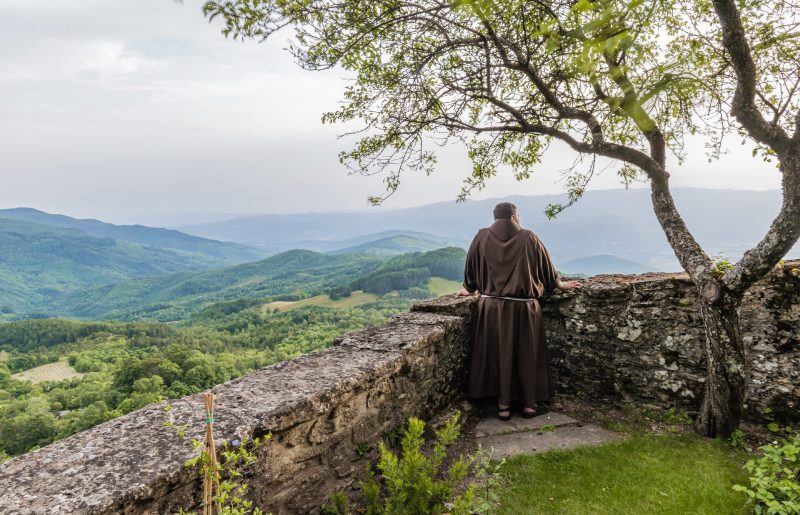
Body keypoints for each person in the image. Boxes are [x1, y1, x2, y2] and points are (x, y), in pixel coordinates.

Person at [456, 202, 581, 421]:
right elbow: (547, 272)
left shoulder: (480, 237)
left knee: (498, 355)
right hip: (524, 310)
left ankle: (502, 407)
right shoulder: (529, 238)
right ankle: (529, 406)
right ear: (514, 217)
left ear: (495, 217)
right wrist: (559, 285)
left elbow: (471, 269)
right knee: (526, 354)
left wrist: (469, 288)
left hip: (491, 309)